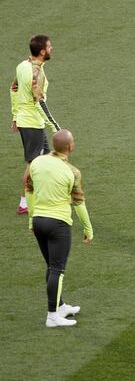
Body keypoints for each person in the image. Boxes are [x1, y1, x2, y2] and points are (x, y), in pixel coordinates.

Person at [26, 129, 93, 328]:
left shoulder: (37, 162)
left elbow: (28, 189)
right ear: (70, 147)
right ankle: (52, 316)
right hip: (59, 224)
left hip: (39, 221)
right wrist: (88, 228)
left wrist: (31, 220)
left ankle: (60, 305)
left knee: (51, 266)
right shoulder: (72, 172)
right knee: (57, 269)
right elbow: (79, 203)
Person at [11, 35, 61, 214]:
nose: (51, 48)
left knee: (47, 156)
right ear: (42, 52)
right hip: (32, 123)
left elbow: (14, 88)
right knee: (32, 163)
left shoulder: (22, 65)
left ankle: (46, 193)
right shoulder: (36, 74)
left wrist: (16, 115)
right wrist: (55, 127)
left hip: (28, 121)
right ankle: (25, 202)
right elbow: (39, 102)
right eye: (49, 47)